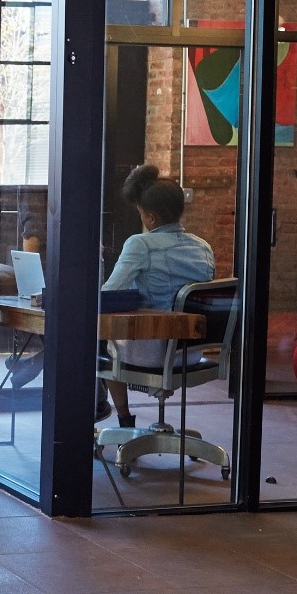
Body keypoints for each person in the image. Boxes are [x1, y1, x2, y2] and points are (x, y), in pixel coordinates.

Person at [99, 164, 216, 427]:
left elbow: (110, 292)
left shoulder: (140, 244)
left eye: (140, 214)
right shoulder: (204, 248)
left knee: (95, 343)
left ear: (150, 218)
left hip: (152, 352)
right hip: (191, 352)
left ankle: (122, 420)